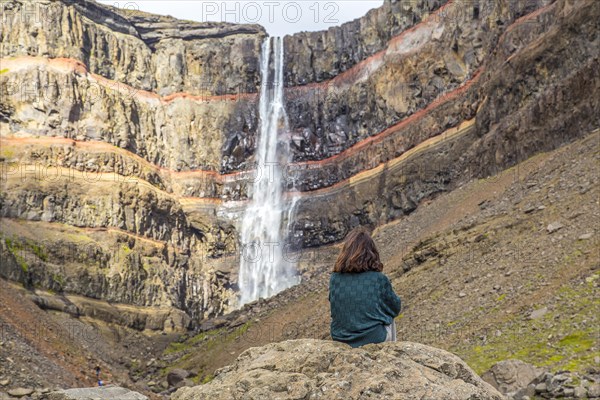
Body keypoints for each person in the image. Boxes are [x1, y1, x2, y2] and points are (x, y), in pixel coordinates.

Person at [329, 227, 402, 348]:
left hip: (340, 339)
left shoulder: (335, 279)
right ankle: (390, 354)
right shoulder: (379, 279)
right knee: (390, 319)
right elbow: (395, 308)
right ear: (372, 252)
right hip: (373, 339)